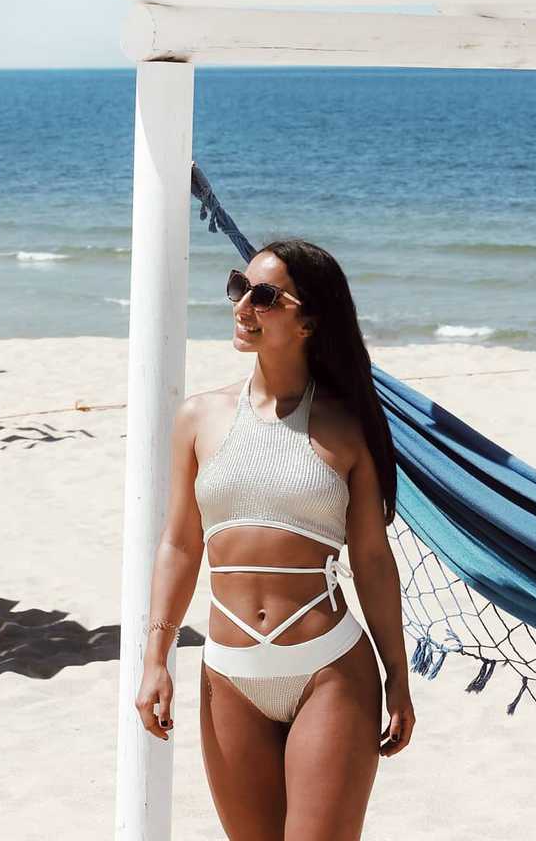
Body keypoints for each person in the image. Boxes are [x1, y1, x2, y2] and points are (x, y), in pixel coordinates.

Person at [136, 238, 416, 839]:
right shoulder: (198, 418)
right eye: (239, 288)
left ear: (308, 322)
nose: (242, 306)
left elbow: (371, 559)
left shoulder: (349, 426)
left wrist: (397, 673)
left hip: (329, 670)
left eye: (263, 296)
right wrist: (155, 658)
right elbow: (180, 545)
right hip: (228, 674)